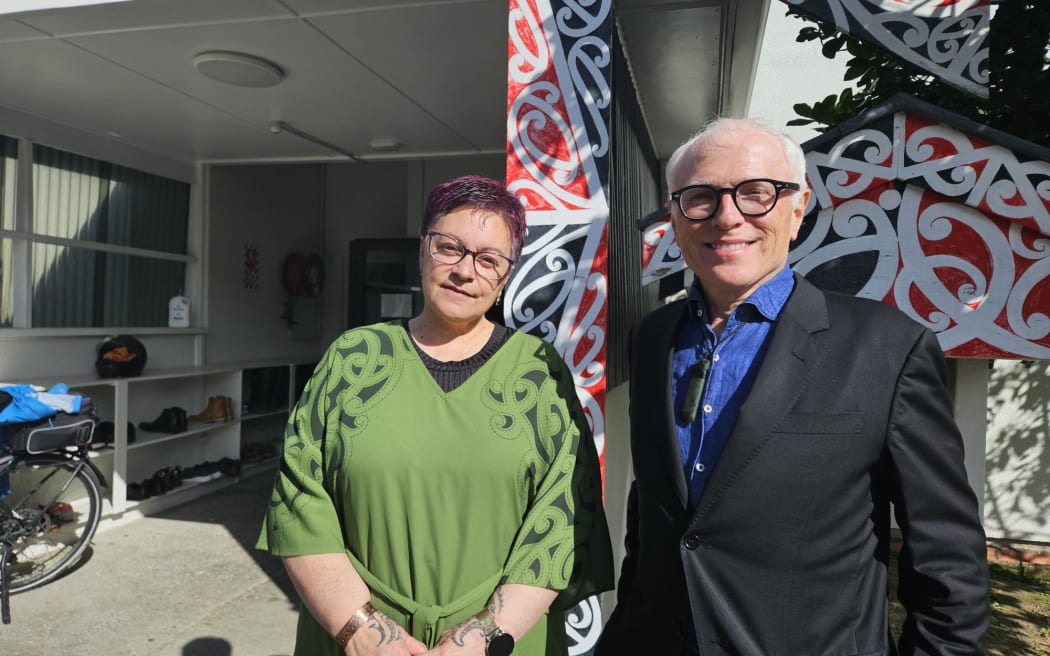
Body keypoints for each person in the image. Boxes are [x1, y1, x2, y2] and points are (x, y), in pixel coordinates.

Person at [595, 119, 989, 655]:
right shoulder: (653, 339)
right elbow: (654, 510)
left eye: (756, 193)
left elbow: (946, 554)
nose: (728, 216)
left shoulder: (887, 348)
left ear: (797, 209)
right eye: (700, 197)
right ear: (675, 216)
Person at [258, 175, 613, 656]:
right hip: (354, 639)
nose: (466, 271)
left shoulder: (540, 372)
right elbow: (300, 503)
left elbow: (563, 519)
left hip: (499, 641)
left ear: (507, 274)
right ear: (423, 250)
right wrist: (360, 630)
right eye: (450, 247)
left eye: (489, 259)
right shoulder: (353, 359)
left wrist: (481, 636)